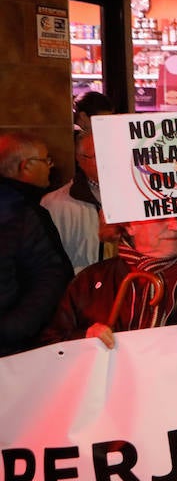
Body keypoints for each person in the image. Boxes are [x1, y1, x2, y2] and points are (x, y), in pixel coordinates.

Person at [40, 216, 177, 347]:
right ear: (129, 225)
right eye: (161, 217)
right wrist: (84, 339)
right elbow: (49, 347)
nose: (176, 227)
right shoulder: (91, 281)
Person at [0, 131, 73, 355]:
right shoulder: (24, 213)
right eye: (46, 160)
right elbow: (52, 277)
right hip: (13, 348)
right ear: (26, 166)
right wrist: (13, 330)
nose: (51, 166)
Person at [42, 131, 117, 272]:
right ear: (80, 160)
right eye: (98, 156)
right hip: (82, 286)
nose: (108, 161)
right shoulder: (55, 204)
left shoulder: (137, 196)